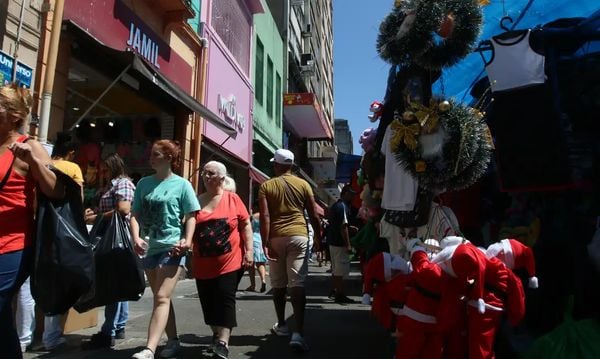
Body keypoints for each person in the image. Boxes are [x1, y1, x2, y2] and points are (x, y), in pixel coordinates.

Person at [0, 84, 63, 358]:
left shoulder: (30, 145)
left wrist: (34, 164)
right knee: (2, 319)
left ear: (14, 115)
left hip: (13, 246)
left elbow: (57, 189)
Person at [129, 140, 200, 359]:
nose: (150, 157)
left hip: (172, 247)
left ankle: (149, 348)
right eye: (151, 153)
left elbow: (191, 215)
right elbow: (135, 214)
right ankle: (174, 340)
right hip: (150, 248)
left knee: (160, 297)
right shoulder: (143, 184)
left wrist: (187, 240)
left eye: (156, 154)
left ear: (169, 158)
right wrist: (136, 238)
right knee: (163, 299)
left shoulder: (182, 185)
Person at [258, 148, 321, 352]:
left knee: (278, 284)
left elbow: (265, 217)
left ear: (276, 165)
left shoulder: (267, 185)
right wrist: (319, 237)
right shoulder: (304, 184)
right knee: (297, 283)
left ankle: (282, 325)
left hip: (276, 236)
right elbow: (313, 214)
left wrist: (266, 242)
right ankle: (298, 333)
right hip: (299, 236)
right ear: (292, 166)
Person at [193, 161, 253, 359]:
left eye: (210, 173)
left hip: (229, 261)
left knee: (225, 299)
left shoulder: (233, 199)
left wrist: (250, 251)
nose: (205, 176)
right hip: (202, 264)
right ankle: (216, 333)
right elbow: (188, 227)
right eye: (204, 173)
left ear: (221, 178)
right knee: (208, 304)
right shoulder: (196, 201)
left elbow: (245, 225)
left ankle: (222, 342)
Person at [83, 153, 136, 348]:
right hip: (110, 237)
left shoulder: (122, 183)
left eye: (104, 168)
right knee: (118, 284)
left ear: (113, 166)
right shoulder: (111, 185)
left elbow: (123, 209)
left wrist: (96, 218)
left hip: (117, 239)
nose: (101, 171)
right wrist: (95, 213)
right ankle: (118, 326)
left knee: (112, 284)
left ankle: (109, 331)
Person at [41, 131, 86, 351]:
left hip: (43, 227)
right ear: (71, 152)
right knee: (65, 280)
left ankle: (32, 334)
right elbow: (79, 200)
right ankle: (53, 335)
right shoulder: (73, 169)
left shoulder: (45, 164)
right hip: (67, 229)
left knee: (43, 279)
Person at [327, 185, 357, 304]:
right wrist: (348, 244)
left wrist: (349, 228)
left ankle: (335, 290)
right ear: (345, 193)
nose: (353, 196)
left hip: (333, 242)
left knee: (336, 270)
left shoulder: (336, 206)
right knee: (340, 271)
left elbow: (341, 226)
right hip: (339, 244)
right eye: (351, 193)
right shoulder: (342, 207)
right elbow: (343, 227)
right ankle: (339, 294)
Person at [245, 202, 268, 293]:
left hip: (253, 239)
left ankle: (253, 285)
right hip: (261, 240)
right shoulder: (264, 216)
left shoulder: (253, 217)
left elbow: (248, 228)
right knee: (260, 262)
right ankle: (263, 280)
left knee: (251, 264)